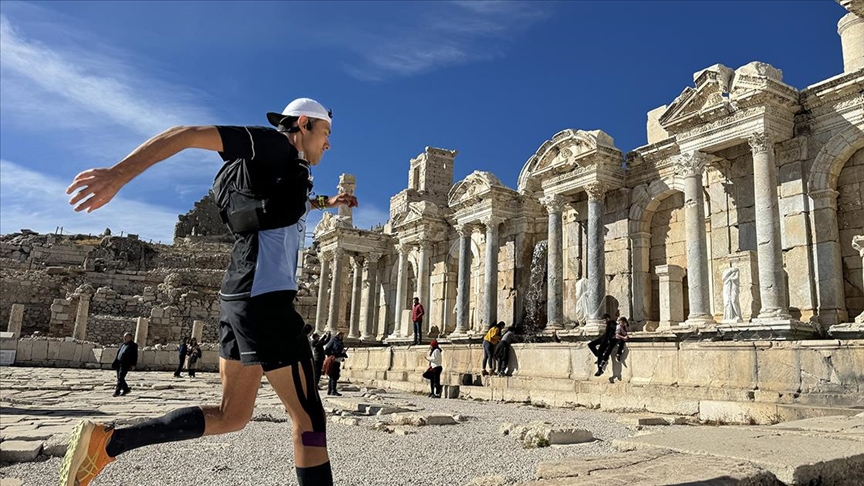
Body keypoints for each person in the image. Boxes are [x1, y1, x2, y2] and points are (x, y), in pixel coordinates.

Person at [60, 98, 356, 486]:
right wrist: (118, 175)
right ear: (302, 124)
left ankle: (108, 444)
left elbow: (281, 208)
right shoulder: (273, 144)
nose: (329, 144)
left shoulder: (276, 168)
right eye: (325, 133)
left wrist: (325, 202)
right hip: (267, 299)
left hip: (238, 299)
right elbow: (183, 135)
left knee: (232, 416)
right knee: (309, 420)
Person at [112, 332, 138, 397]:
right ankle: (126, 389)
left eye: (126, 337)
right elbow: (119, 353)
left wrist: (133, 364)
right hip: (119, 363)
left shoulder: (133, 345)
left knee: (121, 377)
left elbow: (135, 356)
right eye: (124, 337)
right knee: (119, 378)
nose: (124, 338)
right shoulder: (123, 344)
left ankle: (117, 392)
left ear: (130, 337)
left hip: (126, 364)